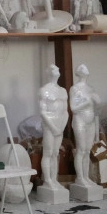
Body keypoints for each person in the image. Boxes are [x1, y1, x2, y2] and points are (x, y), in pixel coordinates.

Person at [37, 65, 69, 194]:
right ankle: (48, 180)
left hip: (59, 125)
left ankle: (54, 179)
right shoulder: (44, 90)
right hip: (49, 125)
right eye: (53, 69)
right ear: (49, 72)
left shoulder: (63, 91)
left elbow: (66, 111)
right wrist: (54, 127)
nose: (57, 71)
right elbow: (43, 112)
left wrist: (62, 127)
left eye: (57, 69)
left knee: (55, 153)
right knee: (48, 152)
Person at [68, 64, 100, 188]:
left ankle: (86, 177)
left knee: (87, 150)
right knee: (81, 149)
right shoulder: (75, 89)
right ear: (79, 72)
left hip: (90, 121)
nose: (85, 69)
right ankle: (80, 178)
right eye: (82, 68)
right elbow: (73, 108)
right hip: (79, 120)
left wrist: (97, 102)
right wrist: (87, 102)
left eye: (86, 67)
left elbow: (96, 110)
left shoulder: (91, 88)